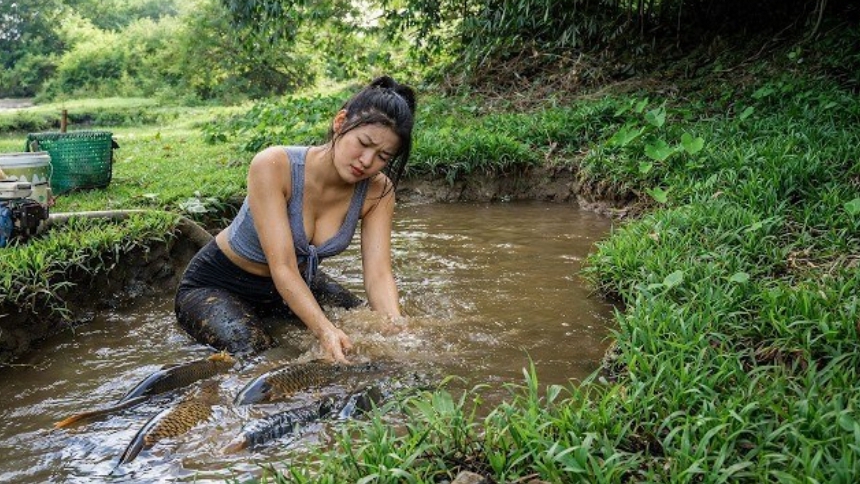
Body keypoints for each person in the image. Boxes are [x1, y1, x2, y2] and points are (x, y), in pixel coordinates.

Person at [175, 76, 416, 363]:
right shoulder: (274, 165)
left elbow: (378, 275)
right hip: (219, 284)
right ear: (340, 123)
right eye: (363, 143)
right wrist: (325, 330)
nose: (366, 161)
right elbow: (283, 266)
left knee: (365, 322)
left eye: (382, 156)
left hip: (297, 283)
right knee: (256, 354)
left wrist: (396, 327)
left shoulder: (378, 190)